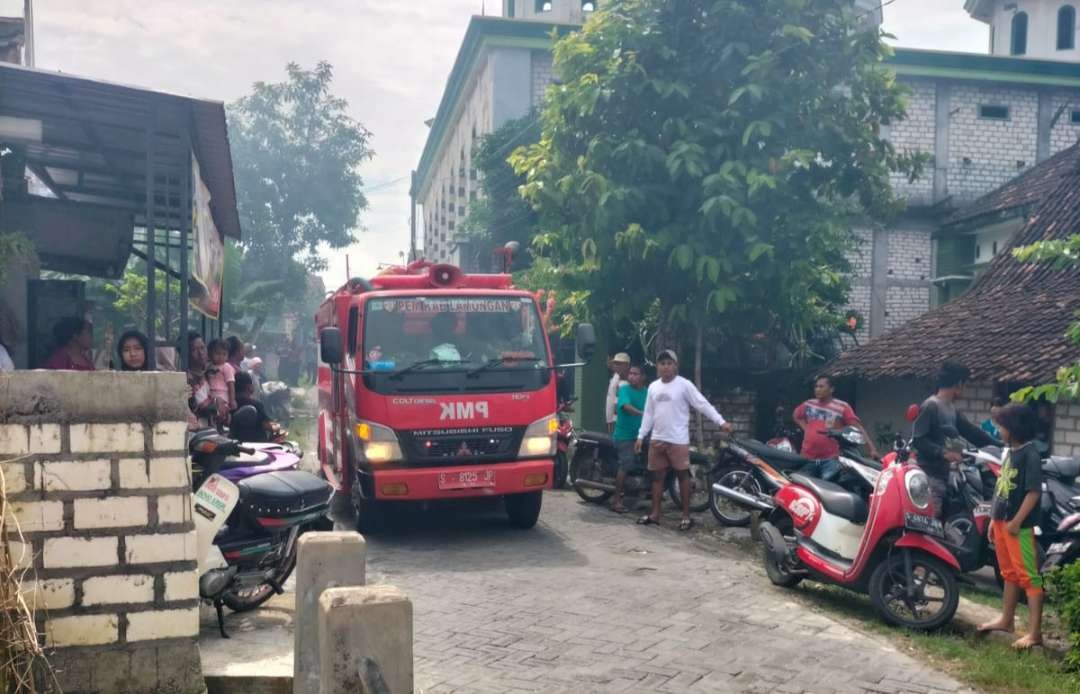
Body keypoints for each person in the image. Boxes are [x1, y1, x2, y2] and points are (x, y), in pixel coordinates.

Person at [635, 350, 732, 530]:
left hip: (678, 440)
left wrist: (721, 421)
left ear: (676, 366)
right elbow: (648, 413)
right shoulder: (653, 387)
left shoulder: (684, 385)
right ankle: (655, 514)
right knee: (657, 478)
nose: (665, 366)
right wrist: (641, 435)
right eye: (662, 363)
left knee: (683, 476)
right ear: (657, 367)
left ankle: (686, 516)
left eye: (669, 363)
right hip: (657, 438)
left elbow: (702, 404)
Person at [977, 403, 1044, 650]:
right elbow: (1001, 490)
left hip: (1019, 527)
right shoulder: (1009, 453)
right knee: (1009, 574)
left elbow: (1033, 492)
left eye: (1001, 426)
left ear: (1014, 428)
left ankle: (1035, 633)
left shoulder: (1030, 455)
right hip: (1003, 524)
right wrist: (994, 521)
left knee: (1029, 577)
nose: (998, 430)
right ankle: (1006, 620)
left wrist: (1016, 521)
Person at [912, 362, 1000, 518]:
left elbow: (973, 433)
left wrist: (1002, 446)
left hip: (948, 475)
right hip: (930, 476)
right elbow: (918, 440)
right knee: (933, 520)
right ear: (959, 384)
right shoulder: (930, 406)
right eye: (965, 384)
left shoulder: (951, 409)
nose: (965, 389)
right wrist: (942, 453)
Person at [793, 376, 879, 481]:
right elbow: (796, 416)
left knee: (829, 491)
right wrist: (806, 429)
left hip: (830, 460)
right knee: (805, 490)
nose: (817, 389)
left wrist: (872, 449)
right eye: (816, 387)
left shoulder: (842, 407)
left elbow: (858, 428)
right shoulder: (809, 404)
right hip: (807, 458)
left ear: (831, 389)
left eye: (821, 386)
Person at [611, 364, 648, 514]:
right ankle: (616, 500)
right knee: (626, 464)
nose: (631, 376)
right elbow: (626, 406)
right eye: (631, 373)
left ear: (643, 377)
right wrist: (641, 413)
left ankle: (644, 491)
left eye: (636, 374)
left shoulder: (647, 392)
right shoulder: (624, 389)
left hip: (640, 435)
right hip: (624, 436)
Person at [185, 332, 222, 430]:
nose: (201, 353)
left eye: (202, 348)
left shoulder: (210, 372)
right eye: (194, 350)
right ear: (186, 353)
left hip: (213, 428)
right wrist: (217, 403)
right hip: (197, 432)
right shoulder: (186, 378)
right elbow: (200, 406)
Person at [231, 371, 278, 442]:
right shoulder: (256, 404)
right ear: (248, 386)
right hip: (257, 444)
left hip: (236, 443)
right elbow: (266, 425)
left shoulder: (230, 404)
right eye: (252, 383)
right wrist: (276, 427)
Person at [206, 338, 237, 414]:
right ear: (210, 353)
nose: (221, 357)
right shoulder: (209, 366)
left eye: (224, 354)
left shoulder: (226, 367)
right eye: (218, 353)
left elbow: (231, 385)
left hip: (222, 394)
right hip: (210, 394)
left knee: (221, 413)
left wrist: (232, 400)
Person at [605, 353, 631, 434]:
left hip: (621, 420)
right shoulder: (615, 377)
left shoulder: (629, 382)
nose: (616, 366)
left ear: (627, 365)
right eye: (615, 363)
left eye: (619, 364)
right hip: (611, 419)